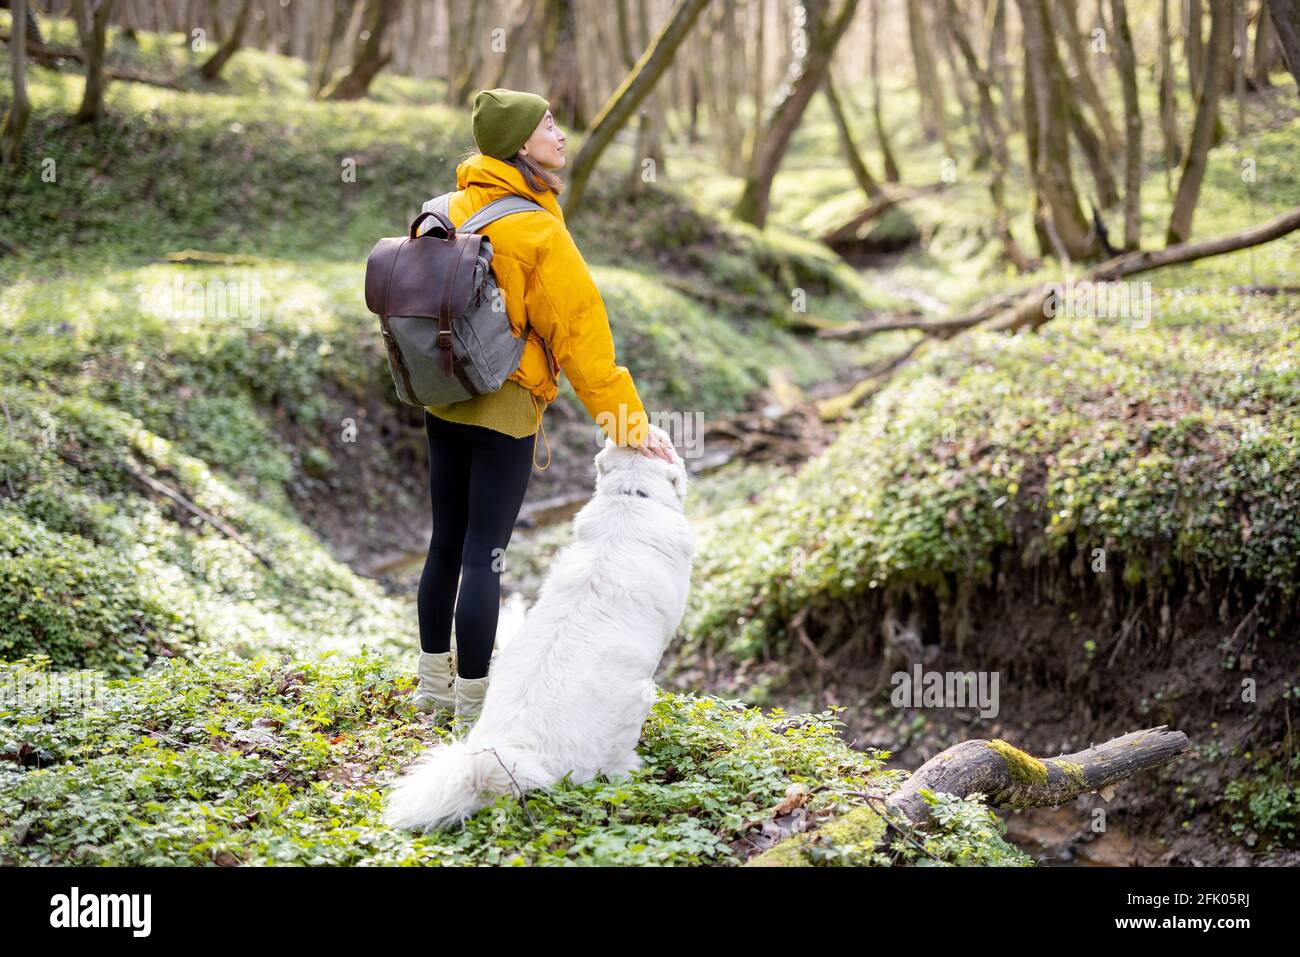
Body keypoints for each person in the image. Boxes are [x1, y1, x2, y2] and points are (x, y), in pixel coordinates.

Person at [411, 88, 677, 728]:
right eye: (547, 125)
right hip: (505, 409)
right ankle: (473, 708)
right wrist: (629, 429)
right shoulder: (534, 227)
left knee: (444, 543)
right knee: (485, 553)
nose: (560, 134)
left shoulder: (442, 208)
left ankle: (430, 689)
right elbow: (584, 341)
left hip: (443, 398)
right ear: (519, 144)